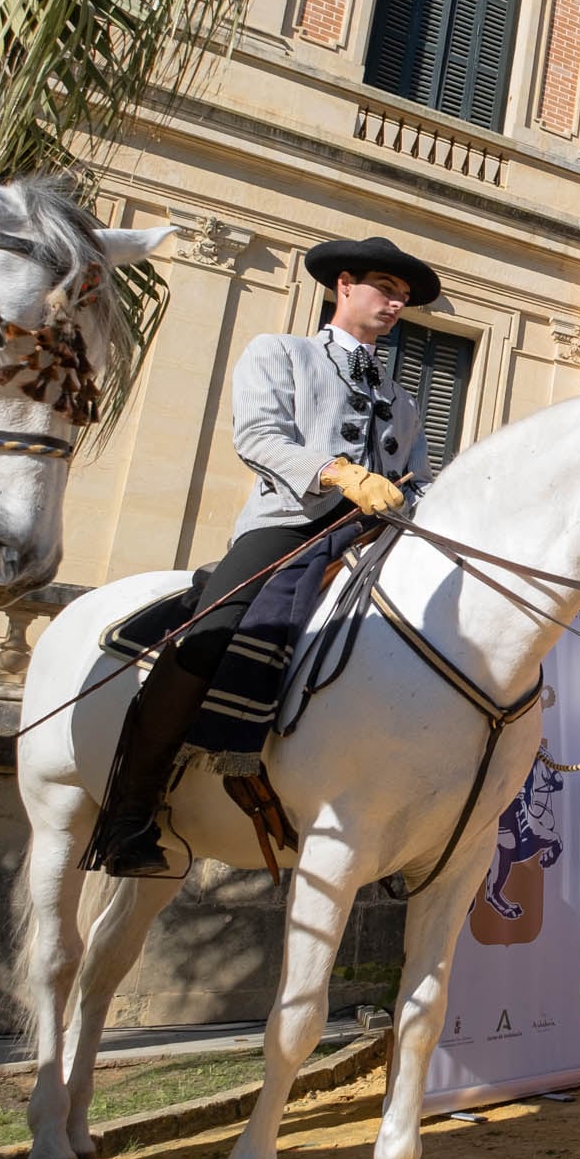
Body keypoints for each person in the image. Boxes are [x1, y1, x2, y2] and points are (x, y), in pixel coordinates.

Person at [93, 237, 436, 876]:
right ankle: (129, 816)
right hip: (290, 524)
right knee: (208, 635)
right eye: (386, 289)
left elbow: (413, 477)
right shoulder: (283, 352)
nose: (396, 304)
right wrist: (337, 473)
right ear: (345, 287)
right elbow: (256, 436)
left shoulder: (406, 399)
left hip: (379, 534)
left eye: (404, 299)